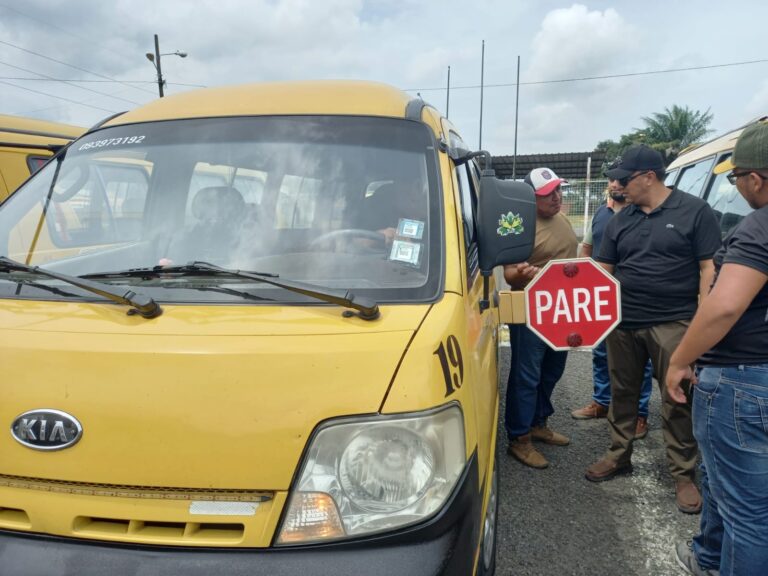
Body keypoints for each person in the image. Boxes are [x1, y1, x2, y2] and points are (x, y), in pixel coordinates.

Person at [584, 145, 722, 516]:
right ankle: (619, 454)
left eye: (623, 179)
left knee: (677, 397)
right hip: (622, 322)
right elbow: (602, 273)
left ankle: (682, 473)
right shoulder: (620, 219)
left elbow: (709, 267)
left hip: (674, 322)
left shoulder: (694, 211)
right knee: (623, 392)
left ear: (649, 176)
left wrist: (703, 317)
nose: (616, 185)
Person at [666, 120, 768, 576]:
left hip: (743, 382)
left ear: (756, 179)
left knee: (748, 513)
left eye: (735, 178)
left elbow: (724, 307)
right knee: (728, 484)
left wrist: (681, 358)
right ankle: (708, 557)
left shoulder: (757, 229)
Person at [504, 167, 578, 469]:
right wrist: (522, 273)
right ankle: (519, 438)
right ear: (530, 198)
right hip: (532, 311)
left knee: (551, 371)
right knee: (527, 376)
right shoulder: (516, 225)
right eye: (548, 194)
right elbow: (509, 274)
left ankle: (538, 423)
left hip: (561, 310)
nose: (557, 198)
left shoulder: (560, 218)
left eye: (558, 191)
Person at [571, 177, 654, 440]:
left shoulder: (642, 214)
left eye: (622, 180)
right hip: (602, 298)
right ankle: (602, 402)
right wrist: (582, 283)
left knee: (640, 359)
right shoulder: (600, 212)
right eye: (611, 180)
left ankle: (639, 414)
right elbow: (587, 247)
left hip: (634, 299)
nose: (615, 184)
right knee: (601, 353)